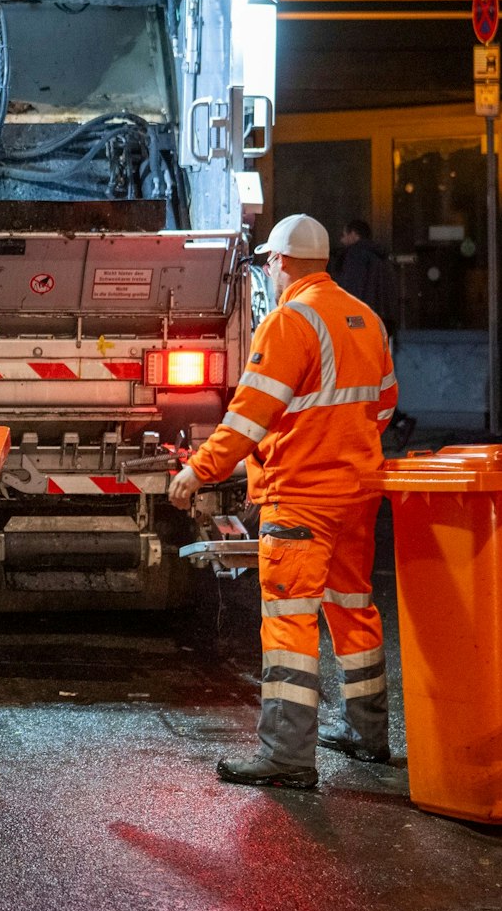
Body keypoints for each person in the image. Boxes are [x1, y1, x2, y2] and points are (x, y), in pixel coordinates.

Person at [168, 213, 399, 790]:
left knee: (290, 621)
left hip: (303, 499)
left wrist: (199, 471)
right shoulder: (366, 319)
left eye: (268, 265)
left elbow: (248, 417)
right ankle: (368, 735)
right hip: (359, 491)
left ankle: (287, 756)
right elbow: (385, 407)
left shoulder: (289, 321)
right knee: (353, 606)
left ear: (279, 263)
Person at [332, 220, 414, 446]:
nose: (341, 239)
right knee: (375, 380)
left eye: (344, 233)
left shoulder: (356, 257)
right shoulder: (379, 257)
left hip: (359, 326)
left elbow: (351, 294)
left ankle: (385, 425)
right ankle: (396, 422)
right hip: (380, 324)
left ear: (354, 234)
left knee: (357, 381)